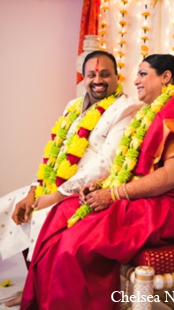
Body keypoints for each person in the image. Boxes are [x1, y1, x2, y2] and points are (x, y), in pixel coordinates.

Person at [20, 54, 174, 310]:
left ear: (166, 77)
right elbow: (132, 168)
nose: (135, 80)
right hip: (157, 196)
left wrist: (115, 194)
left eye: (143, 74)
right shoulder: (150, 111)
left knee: (74, 243)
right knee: (62, 212)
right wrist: (103, 186)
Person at [0, 50, 140, 307]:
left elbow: (105, 164)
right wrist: (33, 190)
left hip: (88, 189)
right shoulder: (73, 106)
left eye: (105, 74)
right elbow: (53, 156)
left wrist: (56, 195)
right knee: (12, 203)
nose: (98, 80)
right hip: (55, 184)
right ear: (83, 78)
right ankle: (35, 283)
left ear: (117, 77)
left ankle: (44, 292)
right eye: (91, 75)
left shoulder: (127, 108)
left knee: (41, 216)